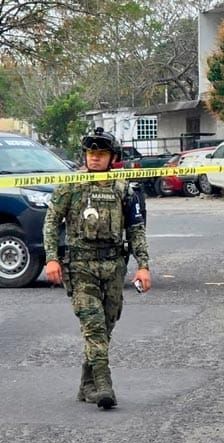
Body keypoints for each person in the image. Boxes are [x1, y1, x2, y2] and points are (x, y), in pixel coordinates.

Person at [43, 127, 151, 410]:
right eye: (91, 153)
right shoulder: (70, 187)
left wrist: (143, 266)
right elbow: (51, 222)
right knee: (93, 327)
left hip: (114, 267)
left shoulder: (124, 190)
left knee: (106, 327)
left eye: (101, 153)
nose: (95, 158)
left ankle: (86, 385)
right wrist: (51, 258)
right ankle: (104, 385)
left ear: (112, 158)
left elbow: (136, 229)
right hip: (81, 267)